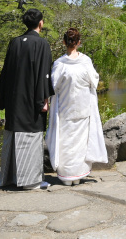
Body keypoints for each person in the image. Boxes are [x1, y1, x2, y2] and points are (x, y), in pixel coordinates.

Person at [0, 8, 55, 190]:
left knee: (12, 136)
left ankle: (8, 178)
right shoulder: (41, 44)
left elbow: (5, 73)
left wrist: (3, 98)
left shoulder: (15, 42)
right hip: (31, 100)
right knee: (31, 137)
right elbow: (44, 74)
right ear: (41, 23)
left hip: (14, 101)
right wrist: (43, 100)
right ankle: (31, 181)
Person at [45, 27, 109, 185]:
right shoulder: (85, 61)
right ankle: (78, 175)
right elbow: (94, 81)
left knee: (66, 141)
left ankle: (67, 176)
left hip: (65, 108)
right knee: (81, 142)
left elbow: (53, 86)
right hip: (82, 107)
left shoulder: (60, 63)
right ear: (79, 43)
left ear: (64, 42)